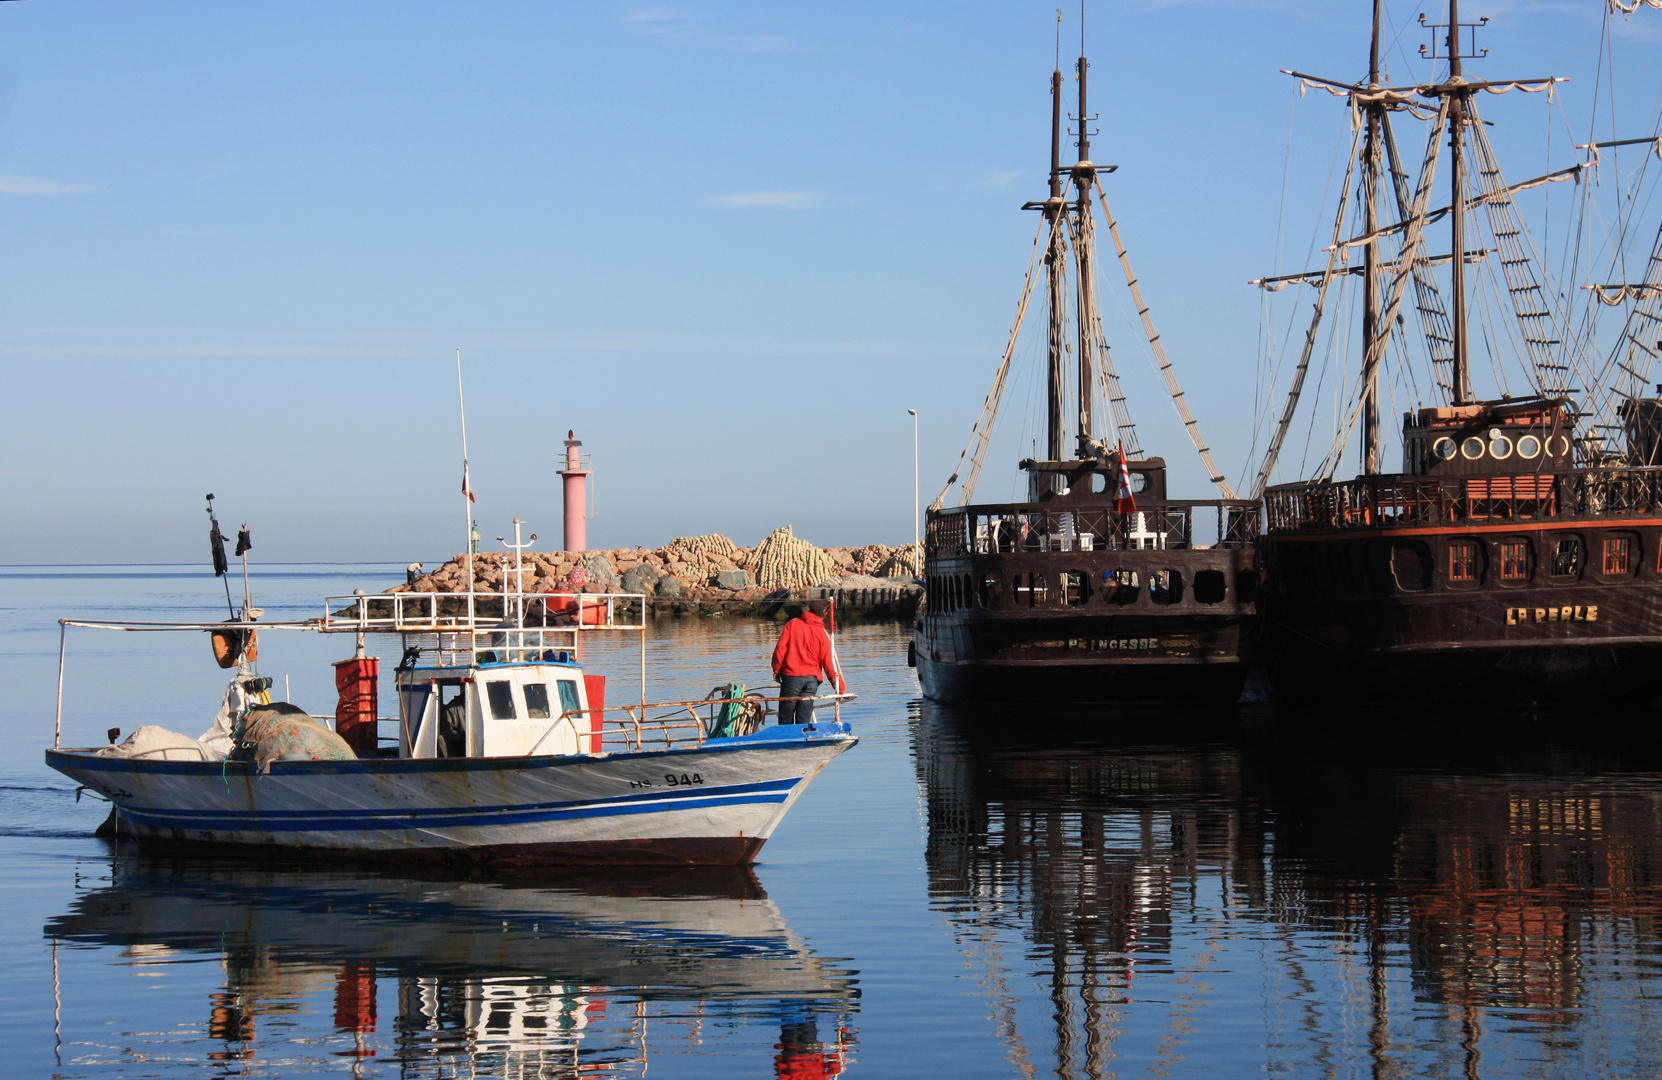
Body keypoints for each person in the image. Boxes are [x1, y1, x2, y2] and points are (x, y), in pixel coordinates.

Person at [771, 599, 847, 725]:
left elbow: (780, 649)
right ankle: (803, 738)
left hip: (791, 677)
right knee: (803, 718)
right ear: (825, 613)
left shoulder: (792, 624)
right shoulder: (822, 633)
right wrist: (839, 687)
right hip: (811, 680)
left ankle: (786, 740)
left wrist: (776, 670)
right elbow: (830, 661)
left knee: (786, 717)